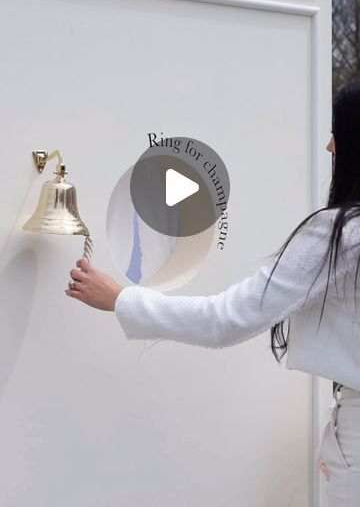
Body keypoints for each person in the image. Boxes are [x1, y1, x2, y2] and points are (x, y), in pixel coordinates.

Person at [66, 79, 360, 506]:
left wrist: (119, 299)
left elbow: (225, 319)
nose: (329, 146)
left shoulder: (341, 235)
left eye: (339, 132)